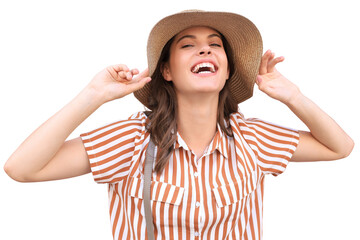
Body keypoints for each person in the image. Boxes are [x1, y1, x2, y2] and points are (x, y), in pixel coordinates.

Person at [4, 10, 354, 240]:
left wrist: (293, 96)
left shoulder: (253, 138)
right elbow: (21, 169)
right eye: (189, 46)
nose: (205, 52)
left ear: (227, 69)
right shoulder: (131, 140)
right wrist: (92, 95)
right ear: (167, 71)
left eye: (214, 46)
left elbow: (340, 147)